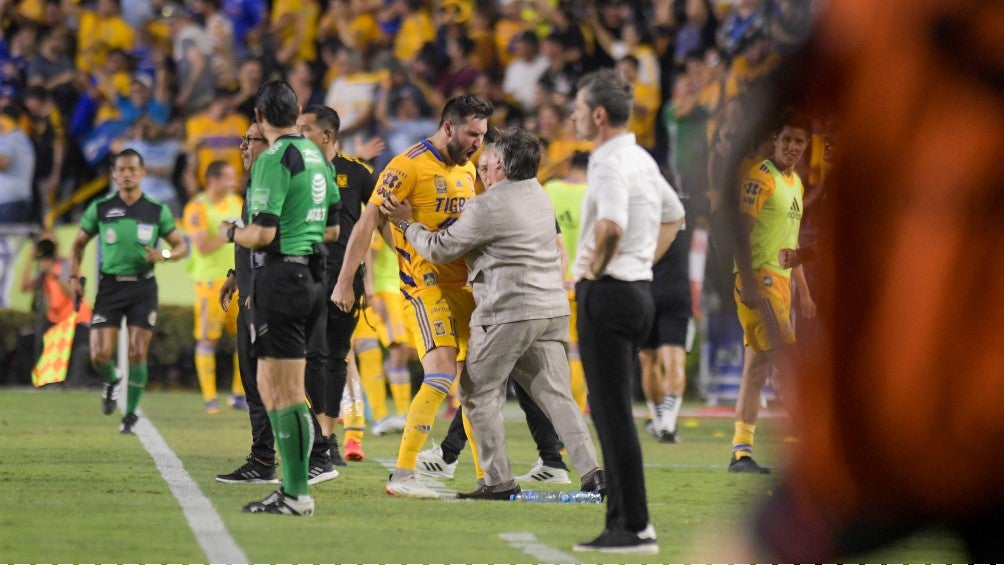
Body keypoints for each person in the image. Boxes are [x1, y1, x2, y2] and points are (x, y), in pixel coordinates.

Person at [383, 129, 605, 500]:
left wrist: (408, 225)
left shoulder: (486, 205)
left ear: (500, 165)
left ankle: (497, 480)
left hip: (508, 310)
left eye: (486, 160)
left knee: (476, 389)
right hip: (550, 310)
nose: (481, 165)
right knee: (556, 396)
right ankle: (593, 472)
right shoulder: (539, 194)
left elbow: (440, 249)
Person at [331, 94, 491, 499]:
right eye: (473, 133)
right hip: (425, 288)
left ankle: (488, 478)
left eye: (483, 135)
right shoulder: (406, 166)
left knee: (475, 385)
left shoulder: (469, 169)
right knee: (440, 375)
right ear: (449, 127)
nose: (478, 142)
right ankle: (403, 475)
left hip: (468, 290)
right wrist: (346, 280)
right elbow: (368, 221)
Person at [568, 68, 685, 554]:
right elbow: (674, 216)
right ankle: (624, 522)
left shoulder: (609, 162)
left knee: (613, 416)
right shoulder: (642, 157)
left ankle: (633, 526)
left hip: (610, 293)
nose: (573, 117)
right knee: (615, 414)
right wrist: (641, 262)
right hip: (636, 291)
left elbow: (611, 225)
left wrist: (596, 271)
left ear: (598, 116)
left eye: (577, 109)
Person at [219, 80, 340, 516]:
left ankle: (295, 492)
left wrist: (230, 232)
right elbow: (332, 229)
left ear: (258, 115)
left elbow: (263, 233)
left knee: (280, 391)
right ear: (298, 110)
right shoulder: (317, 156)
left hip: (281, 277)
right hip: (311, 274)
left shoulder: (274, 158)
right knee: (282, 388)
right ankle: (294, 487)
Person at [68, 148, 189, 433]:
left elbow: (181, 246)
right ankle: (112, 378)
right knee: (99, 356)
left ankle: (131, 415)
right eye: (121, 169)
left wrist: (165, 256)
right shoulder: (101, 208)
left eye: (132, 169)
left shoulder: (156, 210)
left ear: (142, 173)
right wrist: (75, 276)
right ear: (113, 174)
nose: (126, 174)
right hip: (109, 286)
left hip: (142, 287)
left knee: (137, 352)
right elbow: (77, 244)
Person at [729, 114, 816, 474]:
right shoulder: (760, 178)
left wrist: (805, 292)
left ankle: (741, 452)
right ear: (774, 141)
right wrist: (748, 282)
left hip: (780, 282)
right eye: (787, 141)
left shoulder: (795, 184)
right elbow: (741, 232)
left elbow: (790, 246)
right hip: (759, 281)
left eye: (799, 142)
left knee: (757, 371)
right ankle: (811, 450)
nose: (793, 148)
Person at [296, 104, 376, 465]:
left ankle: (326, 439)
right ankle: (315, 435)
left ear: (326, 135)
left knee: (335, 358)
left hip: (344, 280)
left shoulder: (358, 174)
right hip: (304, 277)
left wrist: (371, 280)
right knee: (308, 357)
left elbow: (377, 224)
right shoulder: (294, 171)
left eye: (305, 129)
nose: (299, 135)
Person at [181, 160, 245, 413]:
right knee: (208, 339)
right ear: (213, 180)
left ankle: (238, 396)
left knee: (244, 338)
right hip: (209, 282)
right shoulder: (197, 208)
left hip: (236, 279)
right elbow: (203, 247)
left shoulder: (236, 202)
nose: (234, 181)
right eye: (229, 177)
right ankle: (210, 398)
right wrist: (227, 233)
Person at [639, 220, 692, 444]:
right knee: (674, 359)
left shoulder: (637, 202)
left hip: (644, 289)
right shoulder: (684, 207)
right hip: (677, 290)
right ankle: (668, 423)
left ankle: (661, 423)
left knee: (648, 361)